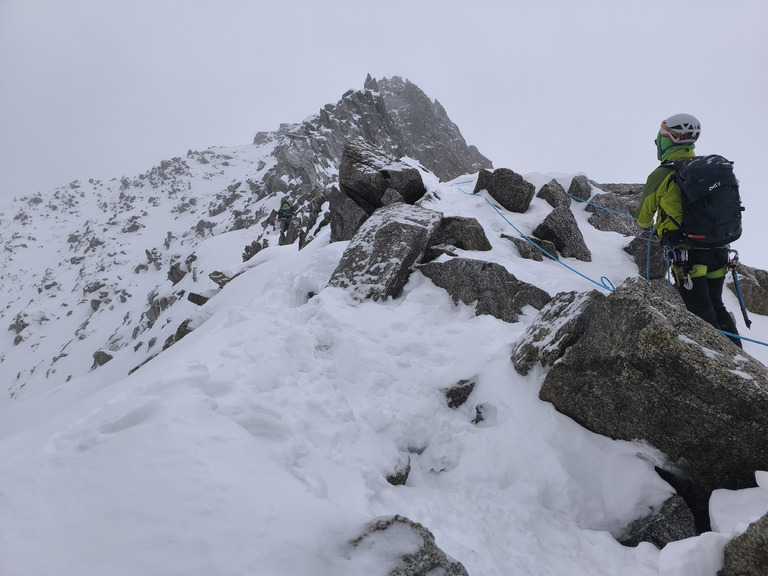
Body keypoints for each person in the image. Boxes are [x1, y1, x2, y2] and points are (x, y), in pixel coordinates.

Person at [635, 113, 742, 348]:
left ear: (666, 140)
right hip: (719, 251)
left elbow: (642, 219)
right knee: (717, 304)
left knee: (700, 313)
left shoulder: (662, 174)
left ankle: (724, 371)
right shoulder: (708, 169)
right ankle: (742, 366)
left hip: (687, 255)